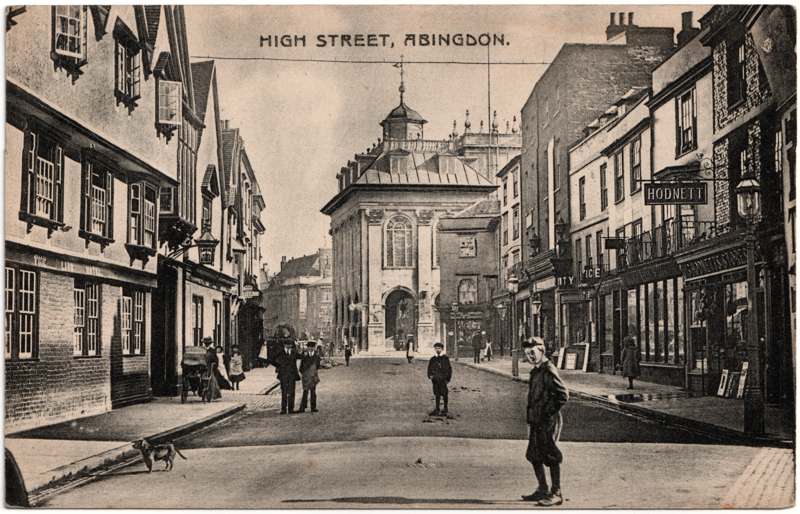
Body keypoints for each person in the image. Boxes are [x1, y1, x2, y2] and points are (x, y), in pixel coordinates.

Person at [520, 337, 569, 506]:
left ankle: (556, 493)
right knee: (534, 454)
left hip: (547, 420)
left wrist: (547, 412)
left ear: (541, 350)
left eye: (532, 353)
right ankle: (542, 488)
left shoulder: (548, 370)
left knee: (550, 455)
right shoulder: (536, 370)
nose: (530, 357)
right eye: (527, 354)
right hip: (536, 419)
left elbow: (563, 395)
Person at [271, 341, 301, 414]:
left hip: (292, 375)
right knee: (284, 392)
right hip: (283, 375)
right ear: (284, 345)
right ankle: (283, 409)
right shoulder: (280, 352)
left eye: (290, 344)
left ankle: (291, 409)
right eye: (287, 344)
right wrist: (279, 366)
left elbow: (301, 356)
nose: (289, 346)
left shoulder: (294, 352)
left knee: (292, 392)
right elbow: (272, 359)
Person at [427, 342, 452, 416]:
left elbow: (449, 369)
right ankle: (437, 408)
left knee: (444, 394)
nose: (438, 350)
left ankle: (445, 408)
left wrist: (448, 379)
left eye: (439, 348)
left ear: (442, 349)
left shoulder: (445, 358)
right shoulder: (433, 359)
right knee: (436, 394)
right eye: (436, 348)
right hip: (435, 379)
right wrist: (430, 375)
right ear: (434, 349)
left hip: (443, 379)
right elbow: (429, 368)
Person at [299, 341, 321, 412]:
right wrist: (305, 374)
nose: (311, 348)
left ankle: (313, 407)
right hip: (306, 376)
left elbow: (317, 366)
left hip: (313, 376)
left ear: (314, 348)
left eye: (312, 347)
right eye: (309, 347)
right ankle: (302, 407)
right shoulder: (304, 356)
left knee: (313, 392)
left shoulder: (317, 356)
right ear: (307, 348)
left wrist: (313, 373)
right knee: (305, 392)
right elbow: (301, 367)